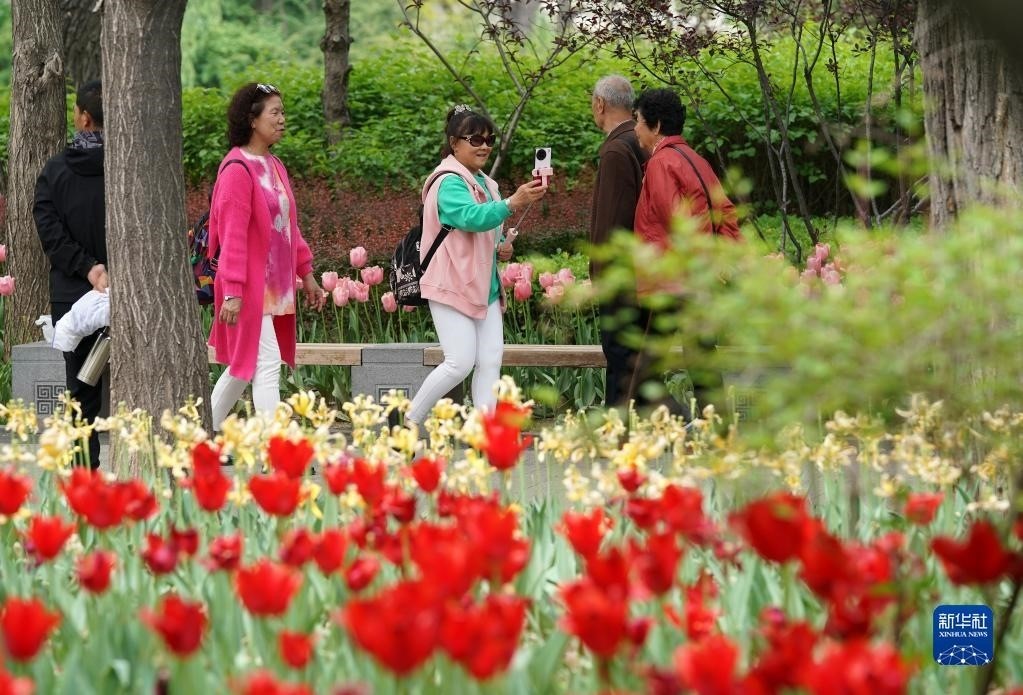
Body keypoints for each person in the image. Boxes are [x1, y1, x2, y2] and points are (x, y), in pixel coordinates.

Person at [405, 104, 547, 426]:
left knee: (490, 362)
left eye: (489, 140)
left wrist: (502, 246)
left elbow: (483, 231)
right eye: (475, 139)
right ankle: (407, 422)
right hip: (451, 283)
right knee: (459, 363)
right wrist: (513, 202)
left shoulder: (484, 182)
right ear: (454, 143)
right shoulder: (447, 182)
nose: (484, 146)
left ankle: (483, 434)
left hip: (485, 287)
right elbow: (470, 218)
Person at [207, 82, 326, 430]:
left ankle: (198, 436)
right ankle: (276, 449)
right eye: (275, 112)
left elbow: (288, 228)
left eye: (282, 112)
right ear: (252, 119)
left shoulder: (274, 165)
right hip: (247, 287)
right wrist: (232, 291)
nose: (282, 119)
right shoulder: (237, 169)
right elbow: (231, 237)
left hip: (273, 288)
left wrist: (307, 274)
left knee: (244, 367)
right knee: (267, 362)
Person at [632, 88, 742, 417]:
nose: (635, 129)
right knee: (701, 361)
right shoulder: (696, 159)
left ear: (656, 125)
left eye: (638, 121)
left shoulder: (661, 163)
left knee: (645, 370)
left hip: (673, 281)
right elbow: (726, 213)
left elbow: (675, 221)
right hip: (698, 279)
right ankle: (716, 426)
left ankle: (679, 423)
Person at [34, 80, 107, 468]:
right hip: (127, 292)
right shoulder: (132, 170)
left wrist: (87, 268)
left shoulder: (55, 171)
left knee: (81, 392)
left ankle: (85, 475)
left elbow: (50, 232)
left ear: (83, 118)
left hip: (73, 296)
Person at [588, 75, 649, 408]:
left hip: (622, 276)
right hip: (645, 270)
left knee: (620, 360)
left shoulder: (615, 149)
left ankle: (619, 429)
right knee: (637, 366)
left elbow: (613, 222)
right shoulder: (642, 141)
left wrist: (601, 274)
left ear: (600, 104)